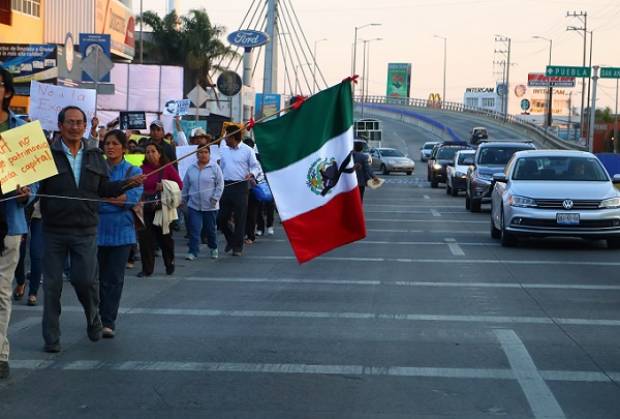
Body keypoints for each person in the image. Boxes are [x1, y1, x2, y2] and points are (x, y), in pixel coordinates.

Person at [38, 105, 145, 353]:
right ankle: (51, 338)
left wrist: (128, 183)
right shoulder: (46, 154)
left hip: (85, 230)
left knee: (85, 280)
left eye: (79, 123)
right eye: (70, 122)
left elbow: (104, 189)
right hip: (53, 230)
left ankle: (94, 318)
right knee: (52, 286)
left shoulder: (95, 155)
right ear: (60, 125)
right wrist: (24, 195)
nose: (75, 127)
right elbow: (34, 189)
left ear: (86, 127)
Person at [0, 66, 36, 379]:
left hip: (9, 224)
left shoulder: (21, 131)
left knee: (1, 292)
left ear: (7, 91)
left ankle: (0, 354)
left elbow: (33, 185)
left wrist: (26, 192)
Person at [97, 130, 144, 338]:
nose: (110, 147)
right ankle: (96, 315)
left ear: (124, 147)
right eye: (107, 143)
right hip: (95, 232)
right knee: (92, 279)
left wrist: (103, 200)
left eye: (115, 143)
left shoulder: (133, 171)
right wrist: (112, 200)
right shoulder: (96, 170)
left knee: (114, 279)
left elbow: (128, 201)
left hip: (122, 235)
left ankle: (108, 321)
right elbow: (90, 198)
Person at [138, 142, 183, 276]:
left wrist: (164, 186)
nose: (150, 154)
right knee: (145, 240)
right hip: (145, 208)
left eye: (153, 151)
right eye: (147, 152)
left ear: (159, 153)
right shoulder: (141, 169)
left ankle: (169, 263)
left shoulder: (167, 168)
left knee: (165, 239)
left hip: (162, 209)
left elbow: (179, 185)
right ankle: (147, 269)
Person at [217, 125, 261, 256]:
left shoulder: (247, 150)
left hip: (241, 186)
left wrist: (252, 174)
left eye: (227, 136)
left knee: (240, 217)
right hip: (226, 186)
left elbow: (256, 166)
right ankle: (231, 238)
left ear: (233, 137)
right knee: (221, 219)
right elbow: (219, 165)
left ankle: (238, 247)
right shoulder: (223, 150)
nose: (224, 138)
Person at [182, 146, 224, 260]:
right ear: (196, 154)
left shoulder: (215, 167)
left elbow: (220, 185)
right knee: (194, 229)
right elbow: (185, 185)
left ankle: (213, 247)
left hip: (210, 206)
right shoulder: (191, 168)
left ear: (209, 154)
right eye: (200, 152)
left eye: (205, 152)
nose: (203, 154)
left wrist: (215, 198)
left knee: (210, 230)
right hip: (194, 205)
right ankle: (193, 251)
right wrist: (183, 199)